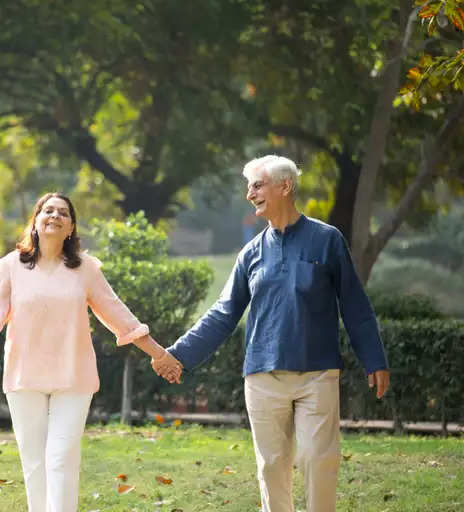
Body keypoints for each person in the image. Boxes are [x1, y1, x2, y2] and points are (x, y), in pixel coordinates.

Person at [152, 155, 390, 512]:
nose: (250, 194)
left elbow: (355, 305)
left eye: (257, 185)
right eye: (249, 187)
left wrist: (374, 358)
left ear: (285, 186)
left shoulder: (327, 240)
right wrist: (179, 354)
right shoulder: (250, 253)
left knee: (318, 460)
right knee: (271, 466)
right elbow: (223, 313)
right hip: (262, 376)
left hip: (317, 372)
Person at [0, 192, 182, 512]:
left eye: (62, 213)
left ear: (71, 227)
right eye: (48, 210)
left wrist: (158, 353)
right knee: (34, 462)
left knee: (61, 458)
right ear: (35, 220)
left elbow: (118, 315)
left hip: (74, 377)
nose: (54, 216)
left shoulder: (85, 269)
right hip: (24, 377)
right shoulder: (10, 266)